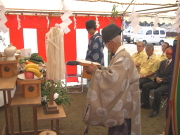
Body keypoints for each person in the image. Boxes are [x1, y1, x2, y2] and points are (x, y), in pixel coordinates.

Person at [82, 24, 140, 135]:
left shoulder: (122, 57)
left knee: (121, 129)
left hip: (125, 104)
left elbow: (113, 79)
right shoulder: (121, 55)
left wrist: (95, 71)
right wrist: (100, 69)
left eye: (106, 45)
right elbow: (114, 72)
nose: (106, 47)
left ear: (111, 43)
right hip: (124, 99)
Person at [141, 46, 173, 118]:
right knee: (145, 86)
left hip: (167, 84)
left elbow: (173, 76)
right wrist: (157, 77)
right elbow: (158, 71)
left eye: (169, 52)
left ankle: (156, 109)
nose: (167, 54)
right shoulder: (163, 62)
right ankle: (146, 104)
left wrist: (162, 80)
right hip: (158, 81)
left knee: (157, 91)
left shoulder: (175, 64)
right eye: (166, 52)